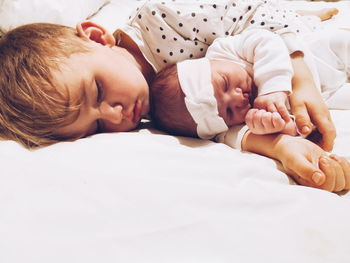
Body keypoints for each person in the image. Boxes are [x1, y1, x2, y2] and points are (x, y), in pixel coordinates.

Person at [0, 0, 338, 149]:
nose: (115, 115)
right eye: (97, 126)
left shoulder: (163, 20)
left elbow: (254, 14)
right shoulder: (153, 116)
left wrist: (298, 79)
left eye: (99, 92)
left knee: (302, 24)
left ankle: (310, 11)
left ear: (96, 36)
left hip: (275, 31)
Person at [149, 28, 350, 192]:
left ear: (209, 62)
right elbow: (242, 136)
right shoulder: (243, 123)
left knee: (341, 41)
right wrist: (281, 126)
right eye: (228, 112)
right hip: (328, 94)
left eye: (225, 82)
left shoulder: (224, 51)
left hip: (319, 57)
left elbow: (266, 39)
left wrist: (272, 88)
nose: (237, 98)